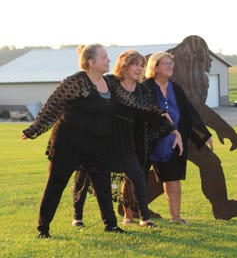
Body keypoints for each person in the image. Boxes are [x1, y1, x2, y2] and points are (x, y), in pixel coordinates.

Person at [143, 35, 237, 220]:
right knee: (172, 171)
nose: (209, 61)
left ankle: (221, 208)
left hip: (182, 130)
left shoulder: (180, 77)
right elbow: (197, 106)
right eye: (207, 55)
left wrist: (207, 132)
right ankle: (132, 204)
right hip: (160, 134)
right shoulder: (185, 65)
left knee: (180, 170)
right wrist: (224, 128)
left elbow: (191, 110)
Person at [72, 50, 183, 228]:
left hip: (125, 142)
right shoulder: (109, 82)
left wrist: (173, 131)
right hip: (100, 137)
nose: (139, 68)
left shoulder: (141, 90)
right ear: (124, 65)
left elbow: (152, 110)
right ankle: (77, 216)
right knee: (84, 176)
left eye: (142, 65)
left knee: (138, 176)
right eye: (135, 64)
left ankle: (144, 218)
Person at [22, 44, 124, 237]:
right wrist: (34, 129)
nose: (109, 60)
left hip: (97, 145)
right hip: (68, 144)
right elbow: (52, 105)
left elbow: (130, 100)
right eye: (104, 57)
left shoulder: (109, 83)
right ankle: (43, 229)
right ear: (91, 62)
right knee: (55, 185)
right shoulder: (76, 82)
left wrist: (158, 113)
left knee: (103, 186)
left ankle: (111, 225)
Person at [122, 51, 212, 225]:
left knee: (173, 178)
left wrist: (203, 134)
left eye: (172, 64)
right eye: (166, 64)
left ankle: (175, 216)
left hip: (171, 142)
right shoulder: (144, 87)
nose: (171, 66)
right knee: (135, 176)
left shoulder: (176, 89)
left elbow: (189, 113)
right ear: (155, 68)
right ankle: (128, 215)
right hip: (144, 141)